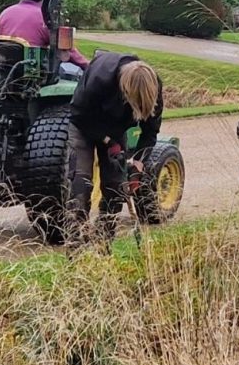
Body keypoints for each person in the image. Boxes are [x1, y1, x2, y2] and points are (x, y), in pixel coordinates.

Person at [65, 50, 164, 237]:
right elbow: (78, 116)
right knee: (81, 185)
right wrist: (108, 141)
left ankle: (104, 242)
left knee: (116, 188)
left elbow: (150, 132)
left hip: (116, 128)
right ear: (125, 91)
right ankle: (77, 247)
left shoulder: (153, 86)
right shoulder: (99, 80)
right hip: (85, 123)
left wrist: (137, 166)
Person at [0, 0, 82, 68]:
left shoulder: (5, 13)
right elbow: (66, 49)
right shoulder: (45, 17)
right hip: (31, 74)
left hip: (3, 71)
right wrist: (88, 66)